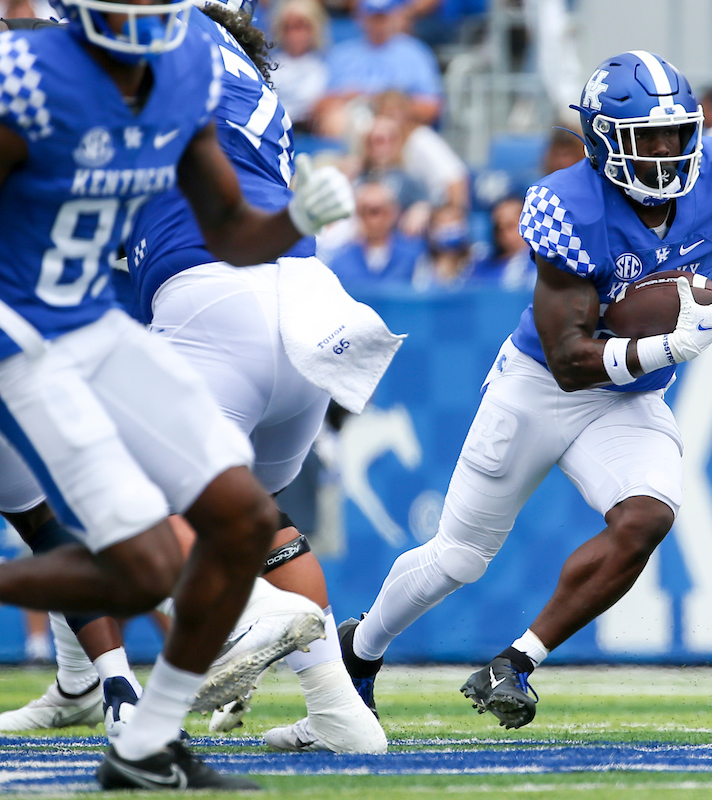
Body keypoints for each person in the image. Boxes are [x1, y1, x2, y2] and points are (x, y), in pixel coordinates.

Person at [338, 50, 712, 729]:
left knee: (648, 517)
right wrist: (672, 345)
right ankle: (359, 652)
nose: (667, 153)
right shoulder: (566, 204)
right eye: (648, 138)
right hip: (541, 386)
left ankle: (514, 662)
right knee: (459, 557)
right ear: (604, 139)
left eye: (676, 134)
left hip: (629, 398)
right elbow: (571, 359)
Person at [0, 0, 356, 788]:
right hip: (16, 333)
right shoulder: (24, 79)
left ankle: (144, 746)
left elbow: (229, 228)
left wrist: (295, 217)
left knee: (235, 522)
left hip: (89, 325)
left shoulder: (190, 61)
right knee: (140, 559)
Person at [121, 0, 398, 753]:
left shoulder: (151, 40)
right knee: (257, 516)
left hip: (213, 299)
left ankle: (248, 613)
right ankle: (340, 712)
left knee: (117, 489)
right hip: (308, 306)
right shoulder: (244, 75)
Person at [318, 0, 442, 129]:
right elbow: (318, 105)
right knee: (337, 119)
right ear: (360, 18)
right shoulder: (342, 53)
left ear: (394, 17)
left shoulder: (415, 52)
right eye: (372, 18)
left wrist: (386, 102)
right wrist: (346, 96)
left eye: (382, 18)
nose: (377, 25)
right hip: (351, 122)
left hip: (399, 125)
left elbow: (432, 107)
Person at [329, 181, 424, 289]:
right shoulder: (341, 261)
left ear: (393, 211)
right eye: (364, 211)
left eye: (377, 211)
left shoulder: (413, 256)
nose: (372, 220)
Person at [269, 0, 329, 131]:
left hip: (311, 128)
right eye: (288, 27)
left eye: (300, 26)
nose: (294, 34)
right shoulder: (267, 65)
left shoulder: (328, 63)